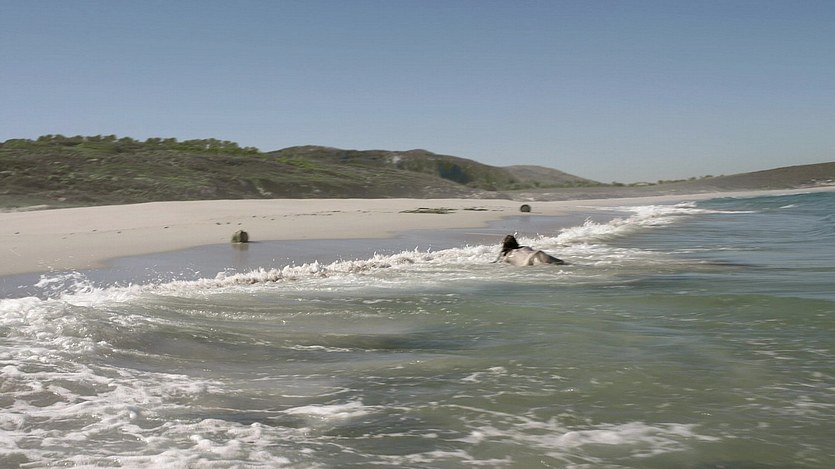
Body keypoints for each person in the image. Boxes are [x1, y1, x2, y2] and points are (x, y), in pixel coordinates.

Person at [494, 234, 566, 266]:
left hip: (527, 262)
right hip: (538, 253)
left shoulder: (508, 255)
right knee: (562, 263)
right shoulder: (525, 247)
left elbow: (499, 262)